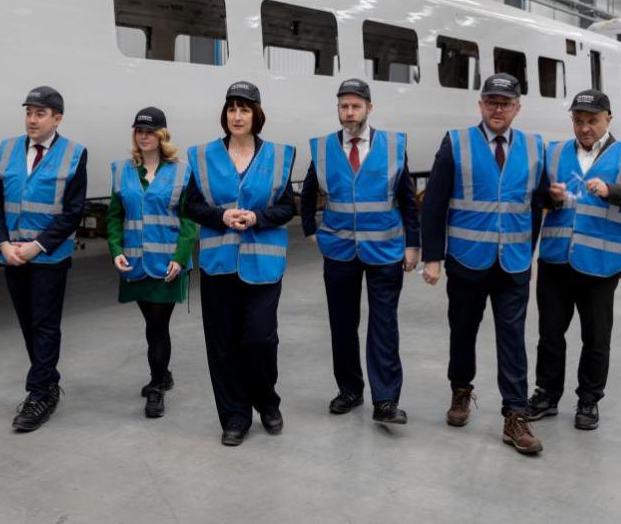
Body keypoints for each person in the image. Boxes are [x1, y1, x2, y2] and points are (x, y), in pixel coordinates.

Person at [420, 73, 550, 455]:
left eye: (505, 103)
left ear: (517, 108)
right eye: (491, 101)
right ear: (480, 105)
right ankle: (460, 391)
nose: (498, 108)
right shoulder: (456, 142)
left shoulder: (534, 146)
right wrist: (433, 257)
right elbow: (434, 204)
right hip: (466, 260)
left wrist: (528, 250)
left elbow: (537, 204)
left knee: (513, 338)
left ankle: (515, 414)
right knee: (462, 332)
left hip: (513, 263)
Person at [527, 89, 621, 430]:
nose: (584, 128)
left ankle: (588, 400)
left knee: (596, 337)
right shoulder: (553, 153)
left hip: (601, 264)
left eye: (592, 121)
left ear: (609, 119)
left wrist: (612, 191)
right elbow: (536, 198)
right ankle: (546, 394)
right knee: (550, 333)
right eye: (579, 121)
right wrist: (549, 197)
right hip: (555, 261)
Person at [300, 78, 421, 425]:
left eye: (356, 106)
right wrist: (310, 228)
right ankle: (350, 390)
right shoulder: (323, 149)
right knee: (342, 324)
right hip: (339, 250)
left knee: (383, 325)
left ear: (370, 108)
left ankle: (385, 400)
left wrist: (413, 243)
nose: (349, 112)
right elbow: (309, 191)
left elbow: (408, 200)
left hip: (385, 249)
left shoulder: (394, 146)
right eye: (343, 106)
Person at [184, 80, 296, 447]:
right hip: (218, 263)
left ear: (256, 114)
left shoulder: (279, 156)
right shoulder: (202, 156)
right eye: (232, 108)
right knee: (224, 344)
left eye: (244, 109)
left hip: (264, 264)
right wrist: (221, 217)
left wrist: (258, 218)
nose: (237, 116)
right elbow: (192, 205)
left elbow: (287, 207)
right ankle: (234, 416)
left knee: (260, 338)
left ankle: (266, 400)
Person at [0, 86, 87, 432]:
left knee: (44, 324)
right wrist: (2, 244)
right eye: (29, 112)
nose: (32, 119)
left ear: (57, 119)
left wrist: (38, 246)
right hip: (12, 256)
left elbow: (72, 212)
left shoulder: (74, 154)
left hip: (49, 258)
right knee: (28, 323)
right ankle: (48, 380)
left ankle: (40, 394)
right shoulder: (6, 150)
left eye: (40, 113)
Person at [107, 107, 198, 419]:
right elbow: (115, 216)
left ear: (162, 135)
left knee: (159, 326)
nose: (144, 136)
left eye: (150, 131)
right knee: (152, 325)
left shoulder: (182, 171)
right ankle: (163, 373)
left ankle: (157, 386)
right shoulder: (121, 171)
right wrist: (115, 247)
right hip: (133, 264)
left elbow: (189, 220)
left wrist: (181, 257)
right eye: (139, 131)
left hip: (168, 266)